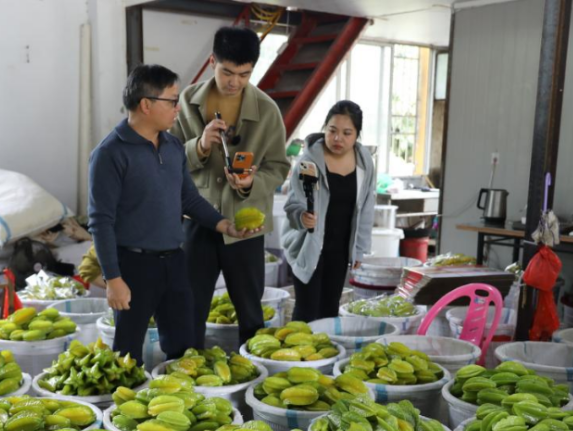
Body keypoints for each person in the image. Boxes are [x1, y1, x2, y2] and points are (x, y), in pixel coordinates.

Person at [87, 64, 253, 365]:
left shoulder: (173, 146)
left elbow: (188, 198)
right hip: (134, 265)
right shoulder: (110, 153)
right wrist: (113, 278)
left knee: (184, 346)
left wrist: (223, 225)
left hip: (176, 261)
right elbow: (100, 221)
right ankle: (123, 408)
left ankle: (181, 406)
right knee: (127, 353)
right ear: (146, 104)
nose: (178, 108)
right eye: (171, 101)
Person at [171, 26, 290, 348]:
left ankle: (253, 371)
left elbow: (279, 167)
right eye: (227, 72)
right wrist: (199, 147)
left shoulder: (267, 111)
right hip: (197, 220)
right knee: (190, 304)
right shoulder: (186, 101)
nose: (234, 82)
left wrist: (253, 182)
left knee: (250, 309)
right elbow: (166, 161)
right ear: (213, 62)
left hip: (246, 224)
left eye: (244, 74)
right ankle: (188, 368)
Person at [282, 101, 376, 322]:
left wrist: (360, 250)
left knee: (329, 311)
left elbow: (366, 208)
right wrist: (302, 218)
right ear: (324, 128)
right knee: (307, 311)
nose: (337, 138)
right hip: (308, 246)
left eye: (346, 133)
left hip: (340, 249)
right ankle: (297, 355)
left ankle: (326, 356)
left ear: (356, 135)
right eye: (332, 131)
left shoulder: (364, 163)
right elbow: (292, 206)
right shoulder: (309, 162)